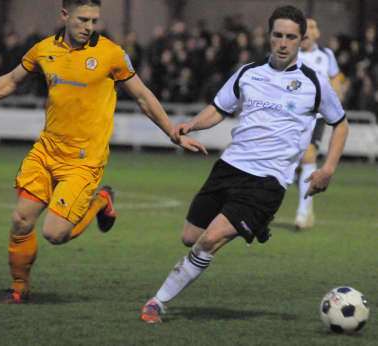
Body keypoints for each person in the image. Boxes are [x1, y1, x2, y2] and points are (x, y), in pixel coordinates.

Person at [0, 0, 206, 304]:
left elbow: (142, 96)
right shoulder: (43, 49)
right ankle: (19, 290)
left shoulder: (111, 54)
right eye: (83, 19)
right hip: (46, 151)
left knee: (55, 234)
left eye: (94, 20)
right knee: (21, 220)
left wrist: (172, 133)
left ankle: (101, 201)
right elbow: (10, 81)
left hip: (83, 161)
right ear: (65, 15)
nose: (89, 27)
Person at [140, 5, 349, 324]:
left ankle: (158, 301)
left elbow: (341, 124)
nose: (282, 43)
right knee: (190, 236)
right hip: (229, 167)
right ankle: (256, 225)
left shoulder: (315, 82)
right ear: (268, 36)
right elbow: (218, 108)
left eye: (290, 37)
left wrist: (328, 168)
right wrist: (191, 125)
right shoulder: (248, 72)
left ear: (301, 40)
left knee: (209, 240)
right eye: (277, 35)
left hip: (267, 181)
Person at [295, 17, 344, 229]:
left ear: (317, 33)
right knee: (294, 165)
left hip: (316, 116)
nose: (308, 30)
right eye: (304, 27)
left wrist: (336, 103)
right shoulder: (290, 54)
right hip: (292, 116)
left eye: (313, 26)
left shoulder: (326, 55)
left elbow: (336, 79)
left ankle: (303, 213)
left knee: (308, 156)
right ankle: (305, 202)